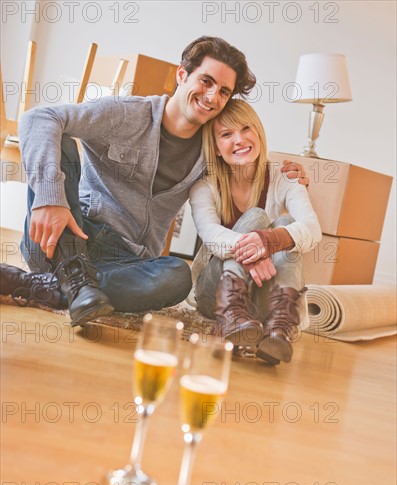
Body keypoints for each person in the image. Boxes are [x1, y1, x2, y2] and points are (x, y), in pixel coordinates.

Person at [0, 36, 308, 327]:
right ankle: (71, 279)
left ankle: (41, 286)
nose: (213, 97)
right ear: (182, 74)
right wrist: (49, 197)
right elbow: (38, 118)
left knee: (177, 276)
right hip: (69, 238)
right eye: (206, 81)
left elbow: (245, 163)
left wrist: (284, 173)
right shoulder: (125, 114)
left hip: (129, 262)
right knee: (63, 141)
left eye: (224, 91)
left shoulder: (211, 148)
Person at [189, 98, 321, 365]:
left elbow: (312, 228)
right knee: (257, 217)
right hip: (214, 295)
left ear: (258, 132)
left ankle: (278, 327)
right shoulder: (204, 185)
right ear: (216, 147)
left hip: (262, 298)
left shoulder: (285, 178)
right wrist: (258, 250)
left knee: (285, 229)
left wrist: (269, 241)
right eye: (227, 134)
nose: (239, 139)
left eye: (246, 129)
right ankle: (231, 316)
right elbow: (211, 235)